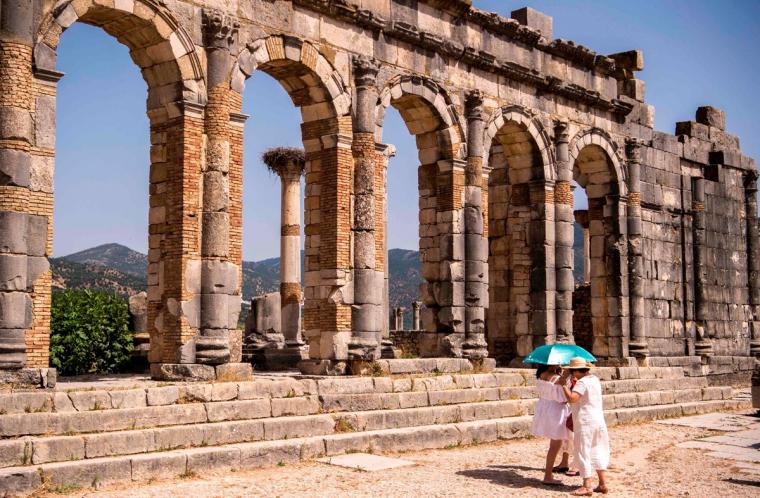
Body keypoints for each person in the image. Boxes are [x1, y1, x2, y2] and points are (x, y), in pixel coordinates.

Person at [561, 357, 610, 496]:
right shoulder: (594, 379)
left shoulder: (582, 383)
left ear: (576, 371)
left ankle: (586, 485)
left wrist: (563, 385)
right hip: (598, 419)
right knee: (598, 449)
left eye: (572, 371)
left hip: (585, 421)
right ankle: (602, 483)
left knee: (583, 451)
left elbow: (573, 398)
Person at [531, 364, 575, 485]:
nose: (560, 364)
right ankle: (548, 475)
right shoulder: (556, 378)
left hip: (546, 408)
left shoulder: (540, 376)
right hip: (557, 411)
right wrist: (565, 382)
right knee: (555, 445)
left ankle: (564, 462)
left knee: (564, 438)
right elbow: (563, 398)